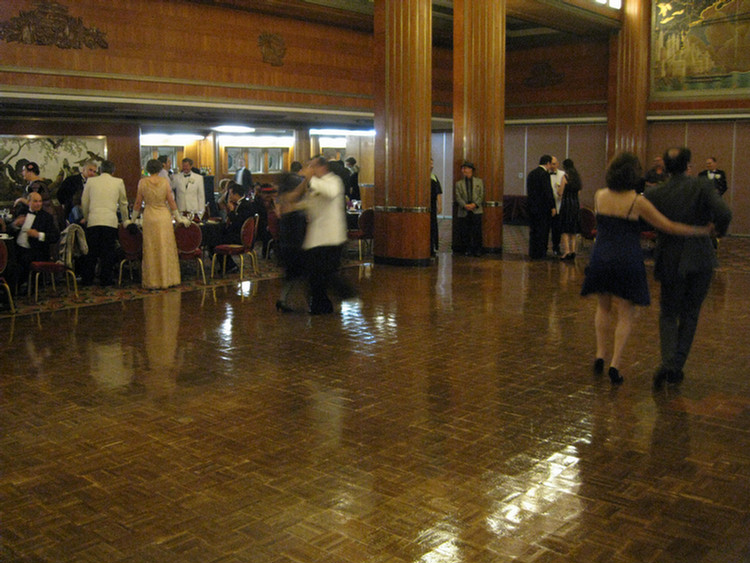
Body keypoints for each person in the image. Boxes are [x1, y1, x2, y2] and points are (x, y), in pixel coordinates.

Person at [580, 152, 712, 385]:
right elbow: (668, 226)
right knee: (627, 312)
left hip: (600, 256)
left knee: (603, 306)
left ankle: (600, 354)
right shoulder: (637, 201)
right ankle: (615, 364)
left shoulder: (599, 195)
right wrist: (701, 231)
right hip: (627, 259)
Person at [645, 147, 732, 387]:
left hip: (669, 259)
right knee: (691, 313)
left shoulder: (656, 193)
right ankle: (676, 366)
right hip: (700, 257)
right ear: (687, 165)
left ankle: (668, 361)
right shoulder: (701, 186)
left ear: (666, 167)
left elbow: (644, 217)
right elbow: (725, 212)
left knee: (668, 314)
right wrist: (718, 231)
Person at [302, 156, 354, 315]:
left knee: (325, 273)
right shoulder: (316, 185)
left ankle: (345, 294)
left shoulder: (334, 181)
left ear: (322, 167)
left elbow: (330, 193)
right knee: (316, 274)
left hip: (332, 237)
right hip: (316, 237)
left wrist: (310, 179)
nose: (310, 170)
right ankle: (321, 305)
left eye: (313, 167)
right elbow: (311, 205)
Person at [131, 159, 189, 289]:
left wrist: (133, 219)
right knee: (165, 246)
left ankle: (153, 281)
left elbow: (137, 203)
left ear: (147, 169)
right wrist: (179, 218)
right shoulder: (164, 181)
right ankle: (167, 279)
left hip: (150, 216)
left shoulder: (142, 182)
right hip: (163, 216)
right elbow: (171, 201)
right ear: (159, 169)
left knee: (151, 247)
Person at [81, 160, 129, 286]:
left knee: (91, 252)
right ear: (113, 171)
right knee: (107, 252)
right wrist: (125, 220)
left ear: (100, 170)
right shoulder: (118, 182)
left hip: (94, 220)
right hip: (110, 221)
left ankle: (88, 279)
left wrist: (87, 217)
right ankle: (106, 279)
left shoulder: (90, 181)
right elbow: (123, 204)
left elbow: (84, 202)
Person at [273, 172, 308, 312]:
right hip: (293, 242)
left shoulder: (281, 199)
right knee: (298, 274)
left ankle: (284, 300)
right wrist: (307, 178)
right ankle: (287, 301)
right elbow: (299, 192)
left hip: (288, 242)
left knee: (293, 276)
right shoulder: (288, 199)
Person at [10, 192, 59, 289]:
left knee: (24, 259)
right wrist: (15, 224)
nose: (38, 204)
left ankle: (23, 285)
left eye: (40, 201)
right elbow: (8, 230)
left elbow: (55, 236)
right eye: (35, 201)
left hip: (36, 250)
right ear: (28, 202)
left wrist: (38, 235)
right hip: (17, 248)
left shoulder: (46, 217)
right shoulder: (20, 212)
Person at [526, 155, 556, 259]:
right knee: (543, 231)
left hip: (532, 207)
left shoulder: (531, 174)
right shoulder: (545, 174)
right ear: (547, 163)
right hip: (543, 208)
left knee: (533, 230)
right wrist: (553, 206)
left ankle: (533, 252)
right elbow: (548, 192)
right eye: (551, 164)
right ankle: (541, 253)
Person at [454, 161, 484, 256]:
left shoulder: (479, 181)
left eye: (465, 168)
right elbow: (458, 196)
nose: (463, 170)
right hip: (464, 210)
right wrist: (465, 205)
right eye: (462, 168)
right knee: (465, 231)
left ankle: (477, 250)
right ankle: (467, 249)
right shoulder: (459, 183)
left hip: (476, 210)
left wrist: (474, 204)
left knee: (477, 231)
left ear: (471, 169)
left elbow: (481, 195)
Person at [557, 158, 582, 260]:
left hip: (567, 204)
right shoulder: (577, 178)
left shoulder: (565, 177)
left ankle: (567, 251)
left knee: (565, 229)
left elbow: (560, 192)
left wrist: (558, 187)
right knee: (573, 229)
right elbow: (579, 193)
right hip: (575, 204)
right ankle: (573, 251)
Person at [549, 156, 565, 256]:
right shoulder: (545, 174)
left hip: (559, 204)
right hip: (548, 205)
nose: (552, 166)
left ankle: (556, 247)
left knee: (557, 229)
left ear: (558, 164)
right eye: (551, 164)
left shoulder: (563, 174)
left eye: (554, 164)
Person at [430, 158, 443, 256]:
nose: (432, 165)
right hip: (425, 205)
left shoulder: (434, 177)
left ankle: (432, 248)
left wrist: (440, 205)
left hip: (432, 206)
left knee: (433, 226)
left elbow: (438, 193)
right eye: (430, 163)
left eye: (432, 162)